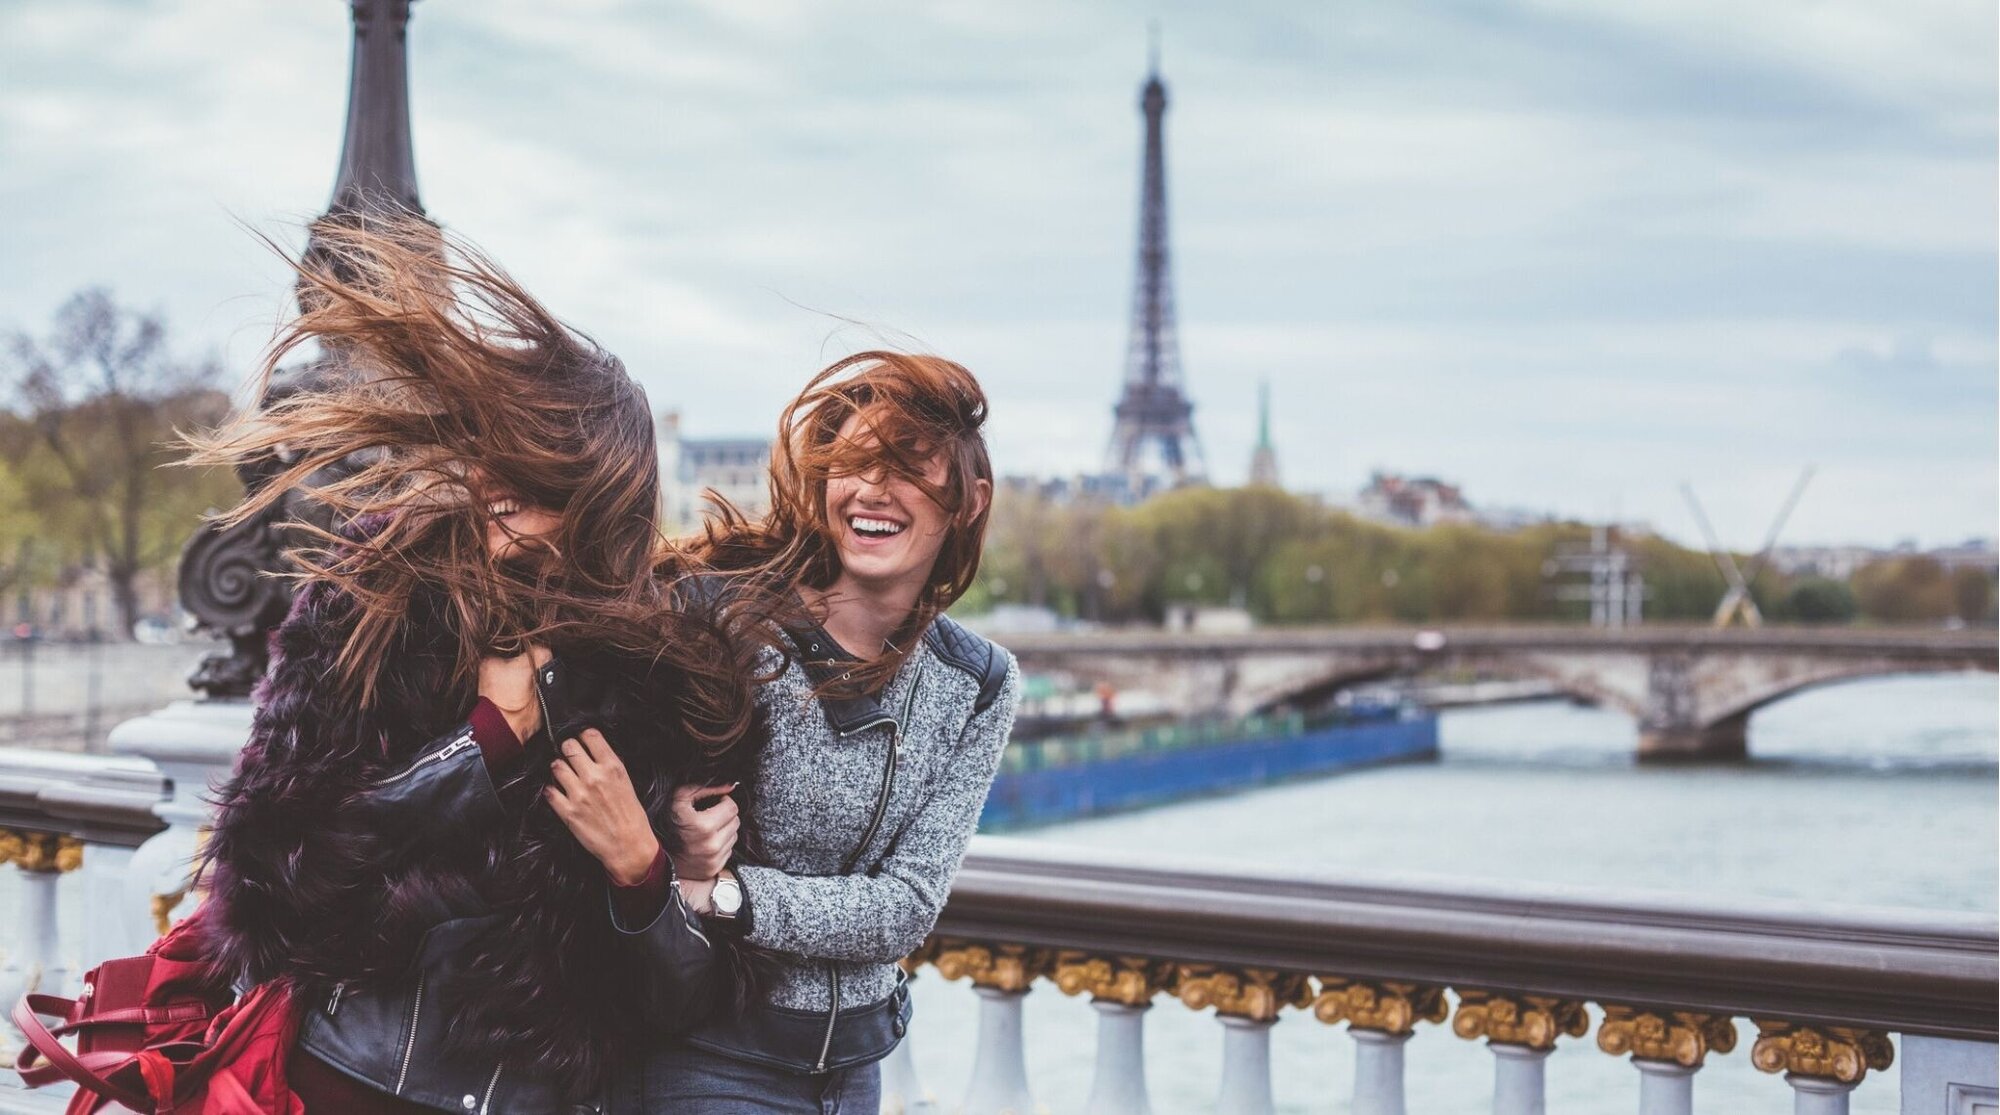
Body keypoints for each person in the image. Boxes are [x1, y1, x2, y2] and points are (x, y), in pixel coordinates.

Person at [191, 217, 767, 1114]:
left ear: (599, 499)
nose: (500, 482)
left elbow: (683, 1003)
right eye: (496, 448)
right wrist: (485, 745)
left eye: (540, 471)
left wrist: (642, 867)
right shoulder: (369, 601)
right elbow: (269, 890)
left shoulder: (666, 679)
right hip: (348, 1081)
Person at [615, 352, 1022, 1112]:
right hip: (710, 1048)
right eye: (854, 462)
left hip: (858, 1067)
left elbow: (907, 906)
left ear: (969, 501)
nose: (873, 486)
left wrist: (731, 894)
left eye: (906, 465)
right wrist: (665, 828)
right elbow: (604, 788)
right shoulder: (722, 623)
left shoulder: (979, 685)